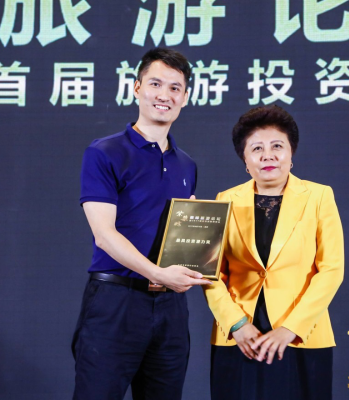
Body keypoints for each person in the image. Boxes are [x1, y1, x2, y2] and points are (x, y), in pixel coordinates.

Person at [72, 48, 211, 400]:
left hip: (170, 309)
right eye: (155, 84)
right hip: (115, 302)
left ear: (185, 98)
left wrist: (195, 244)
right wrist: (158, 273)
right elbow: (104, 236)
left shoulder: (186, 164)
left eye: (175, 88)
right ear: (137, 88)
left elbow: (181, 237)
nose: (165, 95)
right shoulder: (105, 152)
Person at [203, 105, 344, 400]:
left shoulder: (320, 196)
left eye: (277, 146)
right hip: (241, 337)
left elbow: (331, 269)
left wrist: (290, 328)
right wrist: (237, 324)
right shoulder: (224, 200)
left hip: (300, 336)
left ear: (291, 155)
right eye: (257, 148)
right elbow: (211, 274)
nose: (268, 155)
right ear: (245, 160)